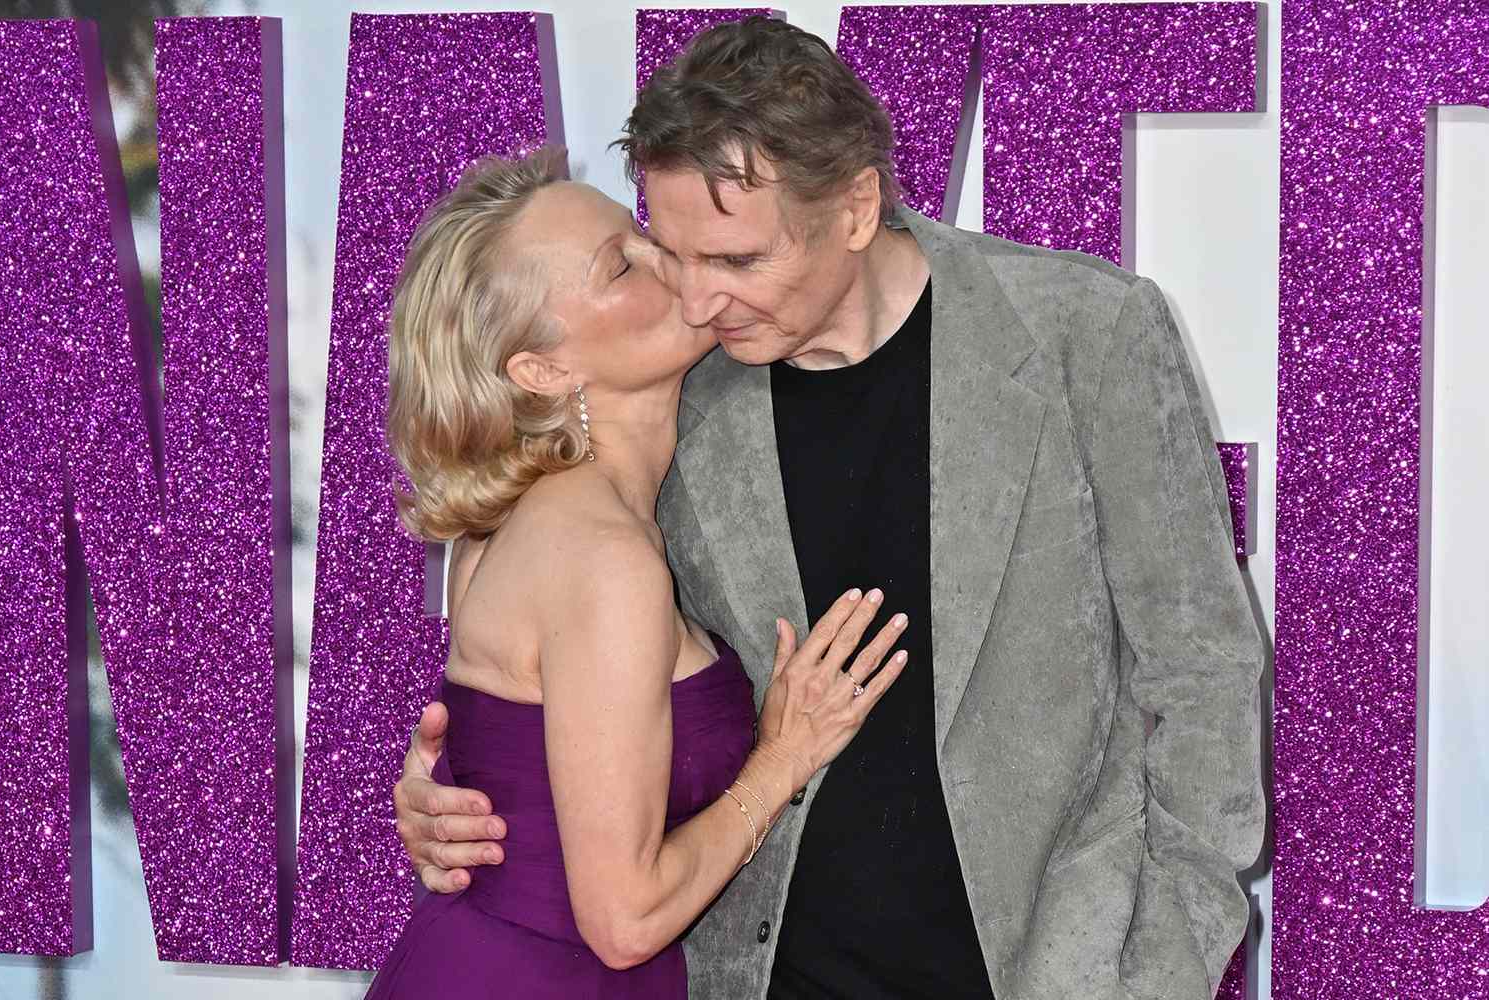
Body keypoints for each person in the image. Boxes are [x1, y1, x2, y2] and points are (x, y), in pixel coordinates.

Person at [393, 17, 1265, 1000]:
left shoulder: (1086, 335)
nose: (696, 297)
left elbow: (1201, 673)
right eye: (669, 250)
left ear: (855, 207)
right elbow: (546, 648)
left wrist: (1155, 976)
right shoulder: (668, 388)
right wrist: (455, 790)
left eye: (736, 259)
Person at [363, 148, 910, 999]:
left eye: (641, 234)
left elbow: (514, 773)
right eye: (622, 266)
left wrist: (430, 788)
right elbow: (624, 921)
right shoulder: (606, 559)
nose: (669, 260)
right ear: (543, 370)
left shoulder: (504, 521)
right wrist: (782, 758)